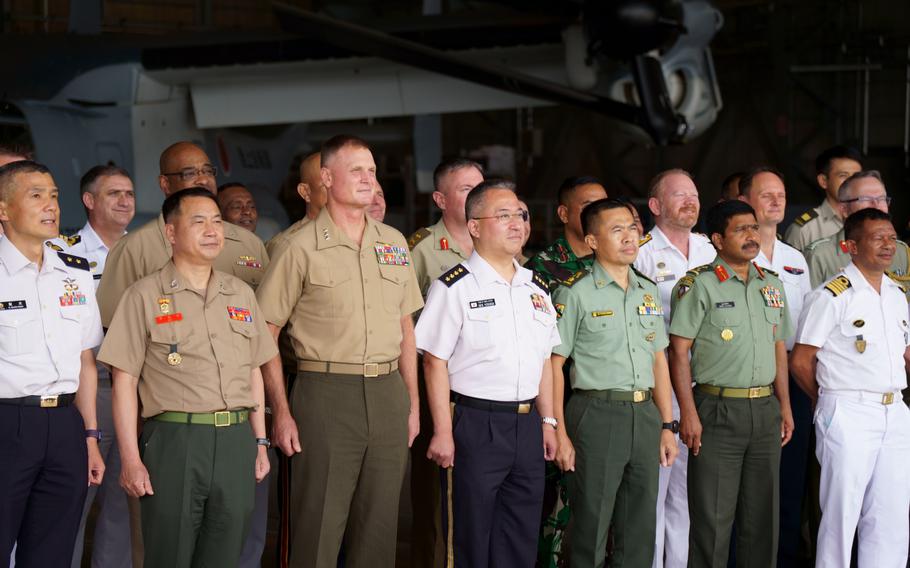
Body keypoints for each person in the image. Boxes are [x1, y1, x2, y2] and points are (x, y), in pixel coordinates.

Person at [256, 135, 422, 568]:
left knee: (380, 530)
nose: (368, 179)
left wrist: (412, 404)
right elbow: (264, 334)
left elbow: (406, 329)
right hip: (324, 393)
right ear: (327, 179)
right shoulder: (297, 247)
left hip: (388, 393)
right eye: (356, 171)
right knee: (317, 529)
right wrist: (281, 410)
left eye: (371, 170)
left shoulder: (394, 242)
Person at [97, 188, 275, 567]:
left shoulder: (240, 294)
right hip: (175, 441)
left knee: (226, 555)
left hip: (235, 441)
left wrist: (259, 440)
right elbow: (124, 381)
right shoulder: (143, 296)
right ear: (171, 233)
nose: (212, 230)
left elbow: (253, 371)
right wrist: (130, 458)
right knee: (169, 556)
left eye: (216, 221)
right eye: (199, 222)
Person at [415, 179, 558, 567]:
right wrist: (443, 431)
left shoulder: (537, 286)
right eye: (504, 215)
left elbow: (544, 359)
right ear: (474, 226)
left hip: (527, 425)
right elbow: (434, 361)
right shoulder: (454, 287)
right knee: (470, 536)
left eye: (520, 215)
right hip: (475, 423)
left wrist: (548, 422)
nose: (517, 223)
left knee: (520, 534)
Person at [551, 198, 678, 566]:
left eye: (632, 228)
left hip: (645, 414)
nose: (629, 237)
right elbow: (554, 365)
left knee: (639, 527)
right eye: (616, 229)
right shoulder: (575, 292)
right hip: (596, 413)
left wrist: (667, 425)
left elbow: (659, 359)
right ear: (592, 241)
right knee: (591, 522)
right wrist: (558, 431)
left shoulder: (647, 291)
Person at [669, 199, 794, 567]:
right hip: (716, 410)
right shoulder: (698, 285)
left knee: (762, 521)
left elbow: (779, 350)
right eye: (741, 230)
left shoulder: (771, 285)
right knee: (712, 521)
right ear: (718, 239)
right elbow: (678, 353)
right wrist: (688, 415)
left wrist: (784, 406)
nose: (751, 236)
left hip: (765, 410)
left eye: (754, 228)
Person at [790, 208, 910, 568]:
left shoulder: (895, 293)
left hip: (894, 409)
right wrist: (825, 400)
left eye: (891, 237)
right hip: (849, 409)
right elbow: (801, 360)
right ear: (850, 246)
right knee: (842, 514)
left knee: (891, 514)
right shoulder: (831, 295)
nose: (888, 245)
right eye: (878, 238)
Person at [0, 160, 105, 565]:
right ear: (4, 209)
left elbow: (85, 360)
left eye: (55, 196)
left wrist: (90, 437)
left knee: (52, 553)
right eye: (36, 195)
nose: (51, 206)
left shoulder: (74, 271)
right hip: (9, 423)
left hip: (64, 425)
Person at [633, 169, 716, 568]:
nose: (690, 201)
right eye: (679, 194)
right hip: (659, 389)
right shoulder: (642, 252)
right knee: (653, 494)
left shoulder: (709, 250)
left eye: (694, 194)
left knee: (686, 497)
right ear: (655, 206)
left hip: (702, 387)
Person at [56, 165, 135, 568]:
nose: (125, 201)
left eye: (129, 194)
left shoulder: (145, 252)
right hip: (88, 386)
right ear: (89, 200)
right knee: (74, 499)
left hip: (135, 387)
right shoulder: (63, 252)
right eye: (114, 194)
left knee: (123, 500)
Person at [406, 157, 483, 568]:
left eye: (480, 186)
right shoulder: (420, 248)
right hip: (437, 387)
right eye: (466, 189)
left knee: (479, 496)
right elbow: (403, 323)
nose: (477, 195)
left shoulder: (501, 243)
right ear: (440, 199)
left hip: (487, 392)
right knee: (435, 502)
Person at [736, 167, 812, 567]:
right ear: (745, 200)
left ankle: (781, 558)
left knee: (788, 479)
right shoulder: (729, 256)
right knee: (742, 483)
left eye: (781, 194)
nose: (776, 201)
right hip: (743, 378)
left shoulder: (795, 259)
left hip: (791, 379)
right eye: (765, 194)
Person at [803, 170, 910, 289]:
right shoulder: (820, 255)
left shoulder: (901, 251)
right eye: (865, 199)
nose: (876, 205)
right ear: (844, 209)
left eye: (881, 199)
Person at [525, 176, 608, 289]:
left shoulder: (616, 256)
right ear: (564, 214)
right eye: (589, 207)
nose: (600, 215)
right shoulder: (540, 267)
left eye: (605, 206)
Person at [784, 146, 862, 251]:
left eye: (856, 176)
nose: (852, 182)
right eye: (843, 175)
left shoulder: (869, 222)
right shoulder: (805, 230)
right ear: (823, 181)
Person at [266, 152, 326, 259]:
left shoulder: (360, 236)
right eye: (326, 185)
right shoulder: (285, 246)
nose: (338, 192)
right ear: (305, 192)